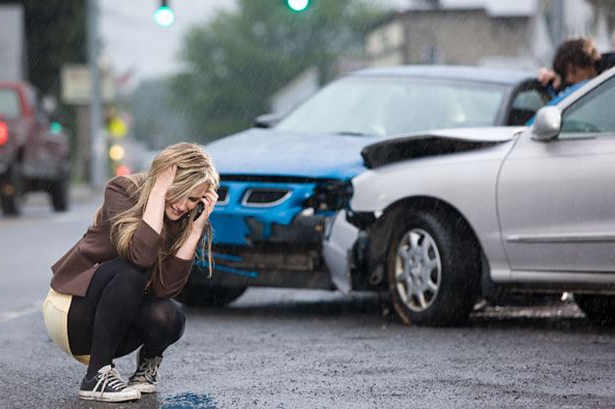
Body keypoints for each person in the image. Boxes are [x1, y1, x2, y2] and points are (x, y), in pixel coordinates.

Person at [42, 142, 219, 402]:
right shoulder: (122, 190)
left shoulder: (183, 219)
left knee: (170, 315)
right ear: (163, 179)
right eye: (178, 191)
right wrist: (158, 193)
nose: (183, 205)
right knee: (131, 270)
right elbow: (140, 257)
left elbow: (165, 290)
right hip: (71, 312)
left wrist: (194, 232)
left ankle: (144, 369)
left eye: (193, 199)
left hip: (113, 327)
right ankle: (96, 377)